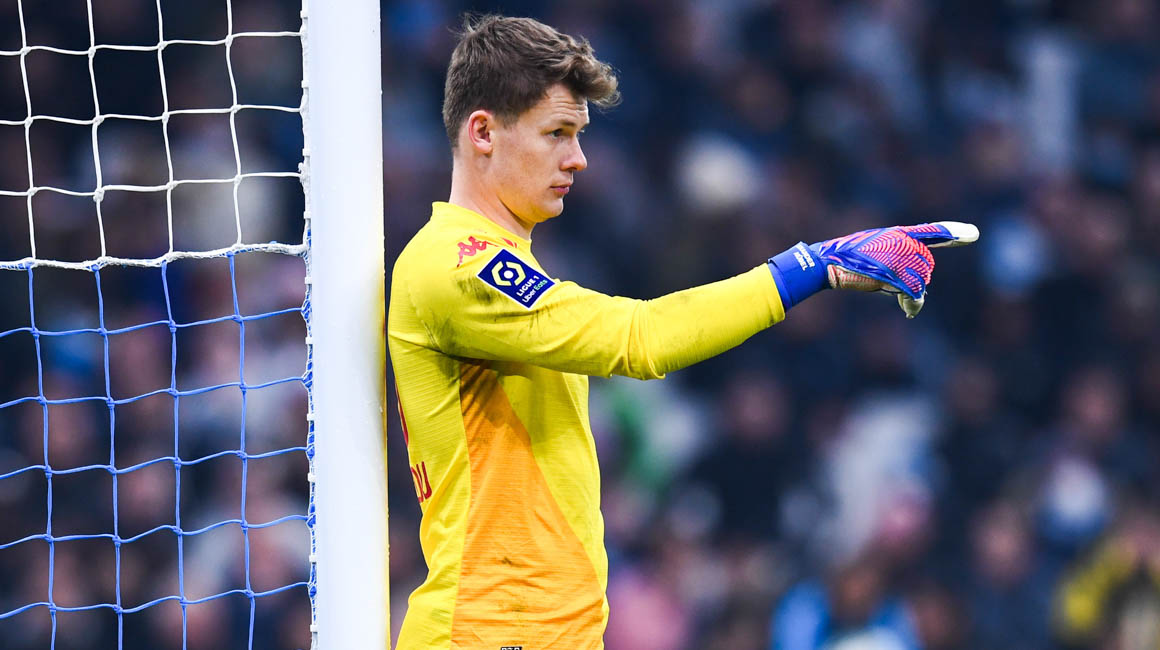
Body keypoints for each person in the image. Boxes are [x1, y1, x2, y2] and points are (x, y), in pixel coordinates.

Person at [387, 13, 976, 649]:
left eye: (579, 135)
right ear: (482, 132)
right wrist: (811, 266)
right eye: (557, 133)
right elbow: (639, 338)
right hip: (492, 631)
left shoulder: (497, 260)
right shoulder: (458, 264)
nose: (578, 159)